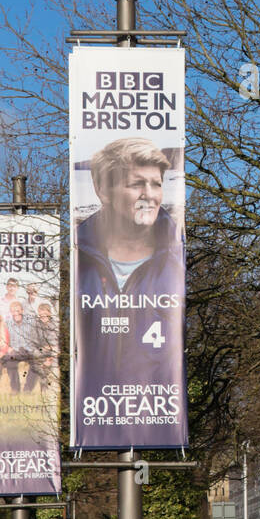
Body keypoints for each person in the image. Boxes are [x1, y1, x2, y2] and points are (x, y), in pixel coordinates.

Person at [75, 138, 184, 385]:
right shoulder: (78, 256)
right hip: (95, 406)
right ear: (103, 190)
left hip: (159, 409)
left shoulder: (177, 259)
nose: (149, 195)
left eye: (156, 184)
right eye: (136, 184)